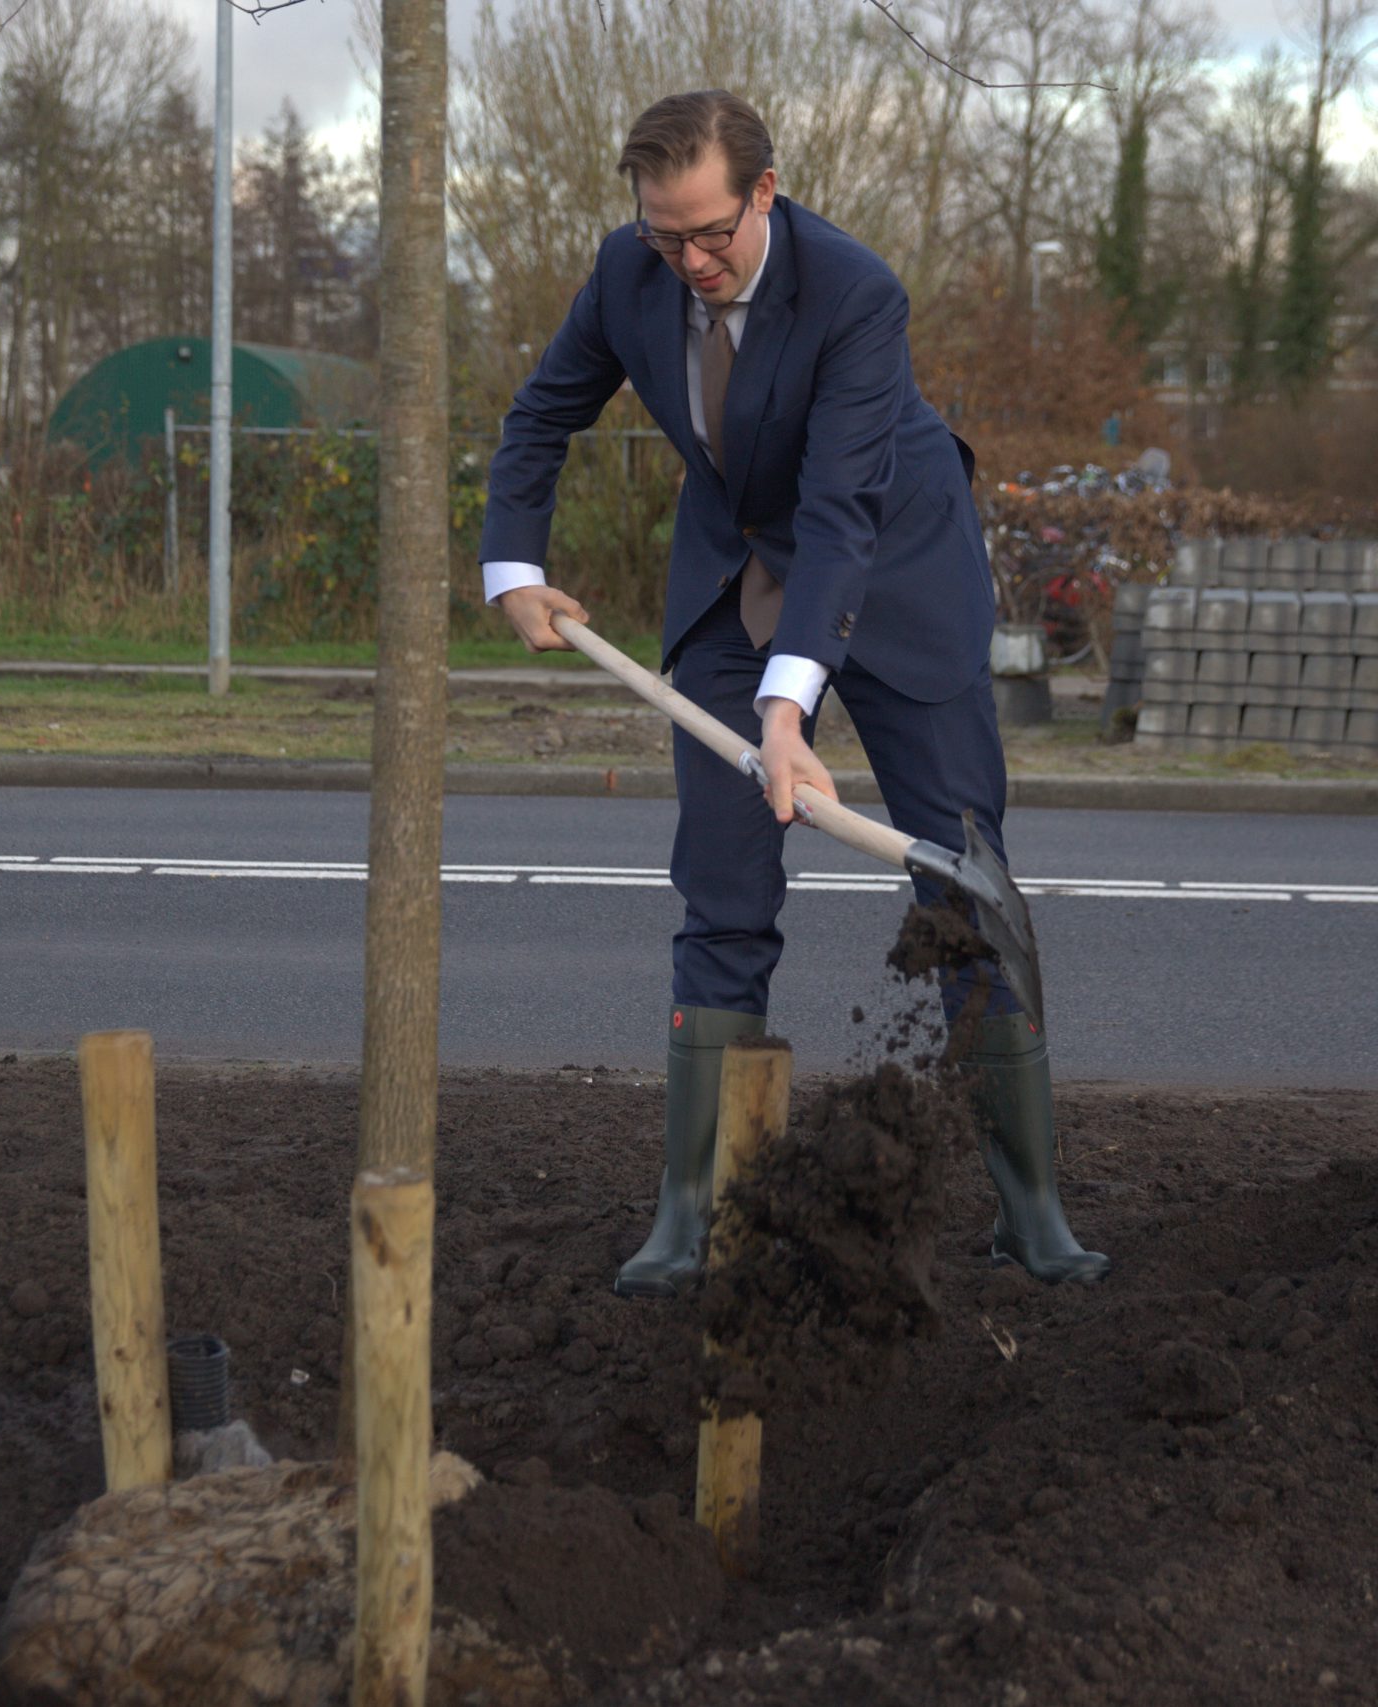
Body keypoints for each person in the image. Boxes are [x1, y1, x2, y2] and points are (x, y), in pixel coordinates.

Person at [479, 89, 1107, 1299]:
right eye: (667, 237)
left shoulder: (855, 293)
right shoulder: (629, 273)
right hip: (733, 573)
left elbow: (840, 518)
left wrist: (786, 714)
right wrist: (515, 569)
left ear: (764, 192)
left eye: (711, 233)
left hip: (892, 562)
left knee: (961, 873)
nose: (693, 263)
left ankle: (1031, 1210)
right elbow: (540, 417)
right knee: (720, 883)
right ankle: (689, 1207)